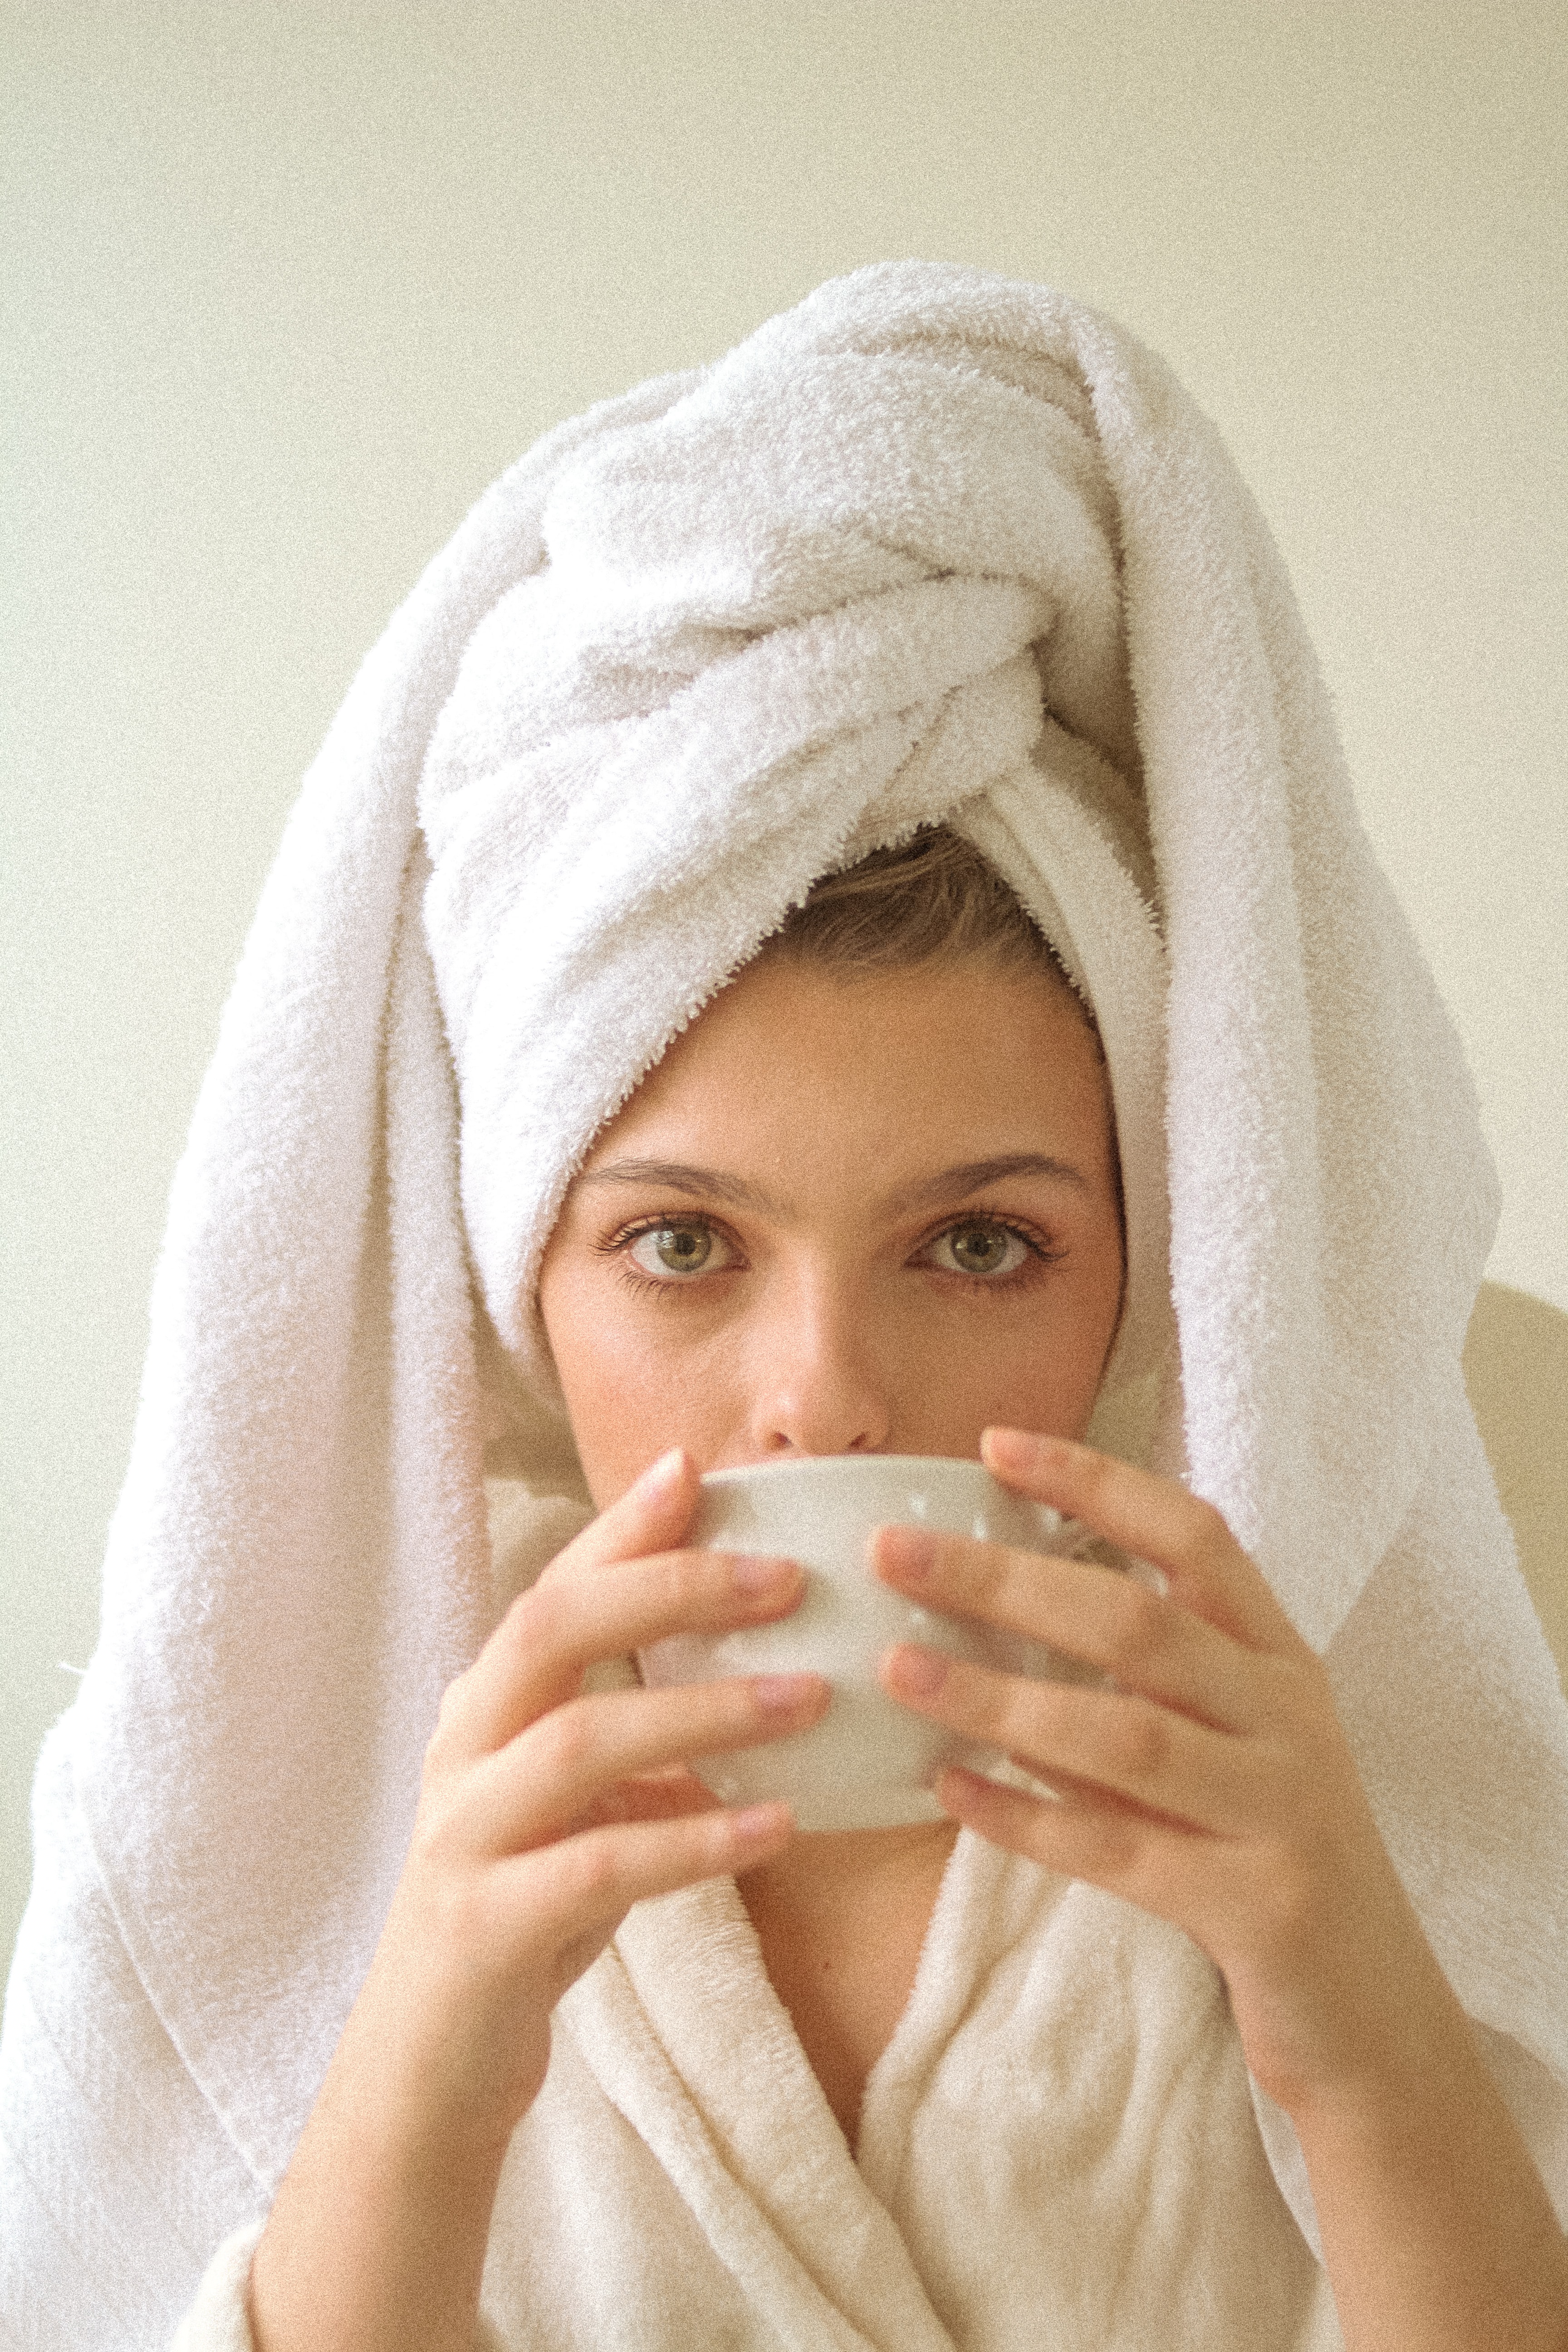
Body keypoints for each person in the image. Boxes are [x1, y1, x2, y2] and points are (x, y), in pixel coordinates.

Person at [2, 263, 1566, 2352]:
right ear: (513, 1268)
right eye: (679, 1246)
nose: (823, 1397)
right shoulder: (349, 1777)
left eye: (981, 1243)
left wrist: (1360, 2027)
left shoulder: (1312, 1743)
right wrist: (426, 2060)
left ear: (1156, 1248)